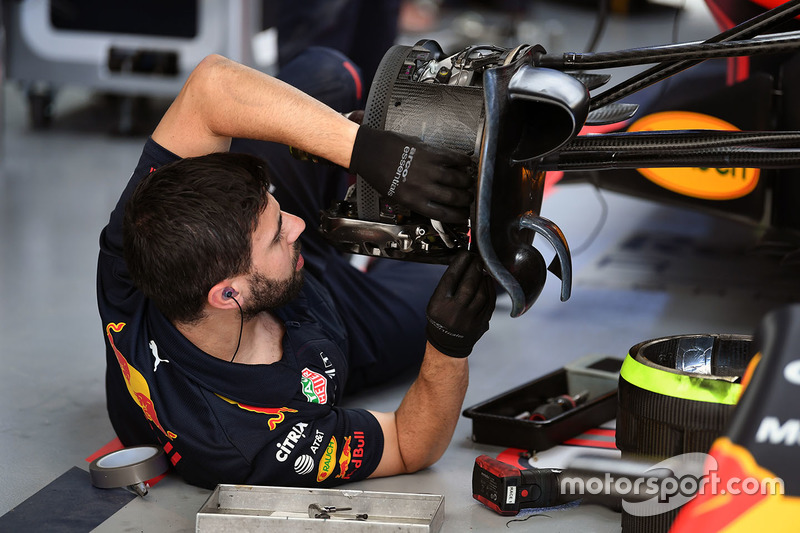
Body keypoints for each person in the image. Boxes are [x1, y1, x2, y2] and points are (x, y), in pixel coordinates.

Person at [97, 46, 495, 490]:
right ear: (230, 294)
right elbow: (407, 443)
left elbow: (212, 86)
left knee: (329, 73)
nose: (300, 225)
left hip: (278, 277)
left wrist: (363, 150)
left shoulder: (133, 250)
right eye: (278, 232)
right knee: (459, 272)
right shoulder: (252, 439)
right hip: (342, 320)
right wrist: (448, 348)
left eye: (279, 212)